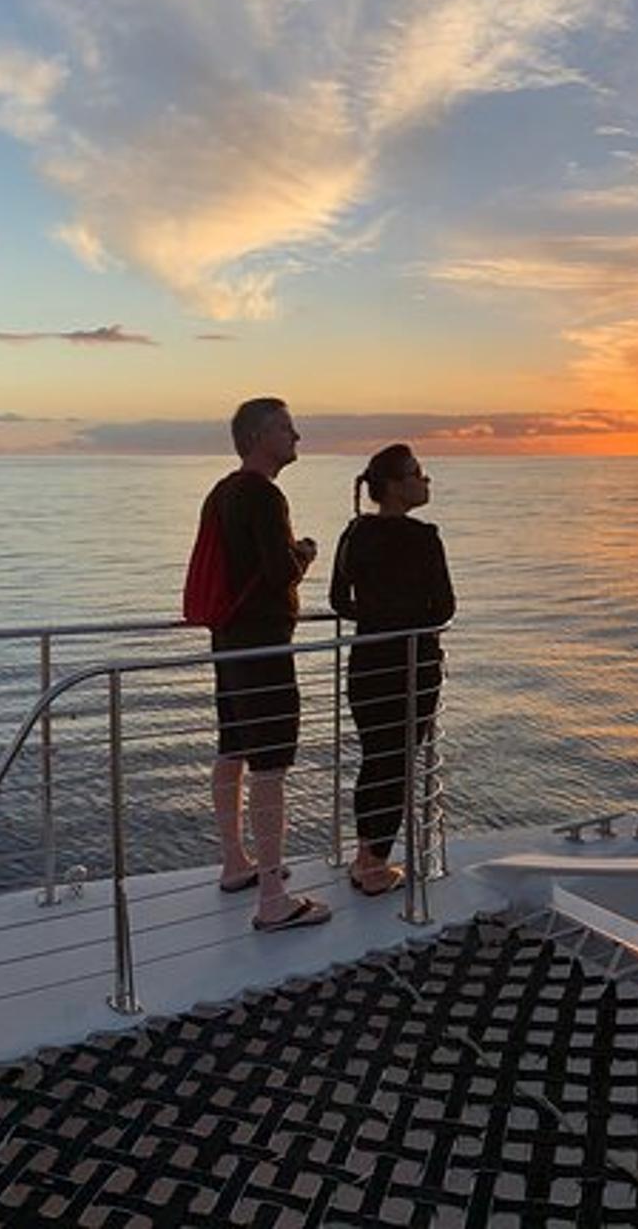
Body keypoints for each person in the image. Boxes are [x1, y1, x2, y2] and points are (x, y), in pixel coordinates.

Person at [202, 397, 330, 931]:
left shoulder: (223, 491)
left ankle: (236, 862)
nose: (296, 436)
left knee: (233, 747)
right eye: (285, 428)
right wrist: (305, 552)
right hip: (263, 646)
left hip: (229, 640)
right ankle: (273, 898)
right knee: (271, 765)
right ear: (257, 437)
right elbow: (279, 573)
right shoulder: (264, 494)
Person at [330, 444, 455, 896]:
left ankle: (365, 855)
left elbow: (339, 601)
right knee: (397, 764)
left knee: (374, 759)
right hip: (412, 665)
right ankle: (375, 867)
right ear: (396, 486)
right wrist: (407, 619)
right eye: (418, 474)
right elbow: (444, 608)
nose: (426, 480)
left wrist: (377, 616)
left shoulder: (354, 532)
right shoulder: (424, 538)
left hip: (367, 662)